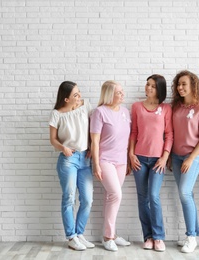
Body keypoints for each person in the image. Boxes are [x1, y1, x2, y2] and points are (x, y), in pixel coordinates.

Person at [129, 74, 173, 252]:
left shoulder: (166, 108)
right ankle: (147, 236)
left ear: (159, 89)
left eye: (153, 86)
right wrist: (130, 154)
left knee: (153, 196)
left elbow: (169, 134)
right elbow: (133, 132)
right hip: (139, 158)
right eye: (147, 84)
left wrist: (164, 157)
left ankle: (159, 237)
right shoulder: (137, 107)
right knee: (143, 198)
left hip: (157, 161)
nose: (148, 88)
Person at [49, 81, 95, 251]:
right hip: (68, 159)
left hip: (85, 159)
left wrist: (91, 146)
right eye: (75, 95)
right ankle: (71, 236)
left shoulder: (85, 106)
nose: (79, 97)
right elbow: (53, 139)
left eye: (79, 92)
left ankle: (79, 233)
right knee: (69, 198)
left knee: (87, 199)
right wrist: (63, 148)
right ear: (66, 98)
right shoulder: (57, 114)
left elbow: (94, 129)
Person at [170, 70, 199, 253]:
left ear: (193, 85)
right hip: (176, 158)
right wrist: (170, 156)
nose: (180, 87)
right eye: (178, 84)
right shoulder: (175, 107)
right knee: (187, 194)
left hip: (192, 157)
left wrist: (191, 158)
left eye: (184, 84)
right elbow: (170, 134)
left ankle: (191, 236)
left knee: (185, 193)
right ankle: (198, 235)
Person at [90, 80, 132, 252]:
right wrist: (96, 165)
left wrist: (128, 160)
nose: (122, 95)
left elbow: (127, 139)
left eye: (122, 92)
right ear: (109, 94)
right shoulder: (99, 112)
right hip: (105, 160)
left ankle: (111, 234)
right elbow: (95, 140)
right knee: (116, 194)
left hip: (121, 161)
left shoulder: (125, 112)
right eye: (119, 92)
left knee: (112, 197)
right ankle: (108, 237)